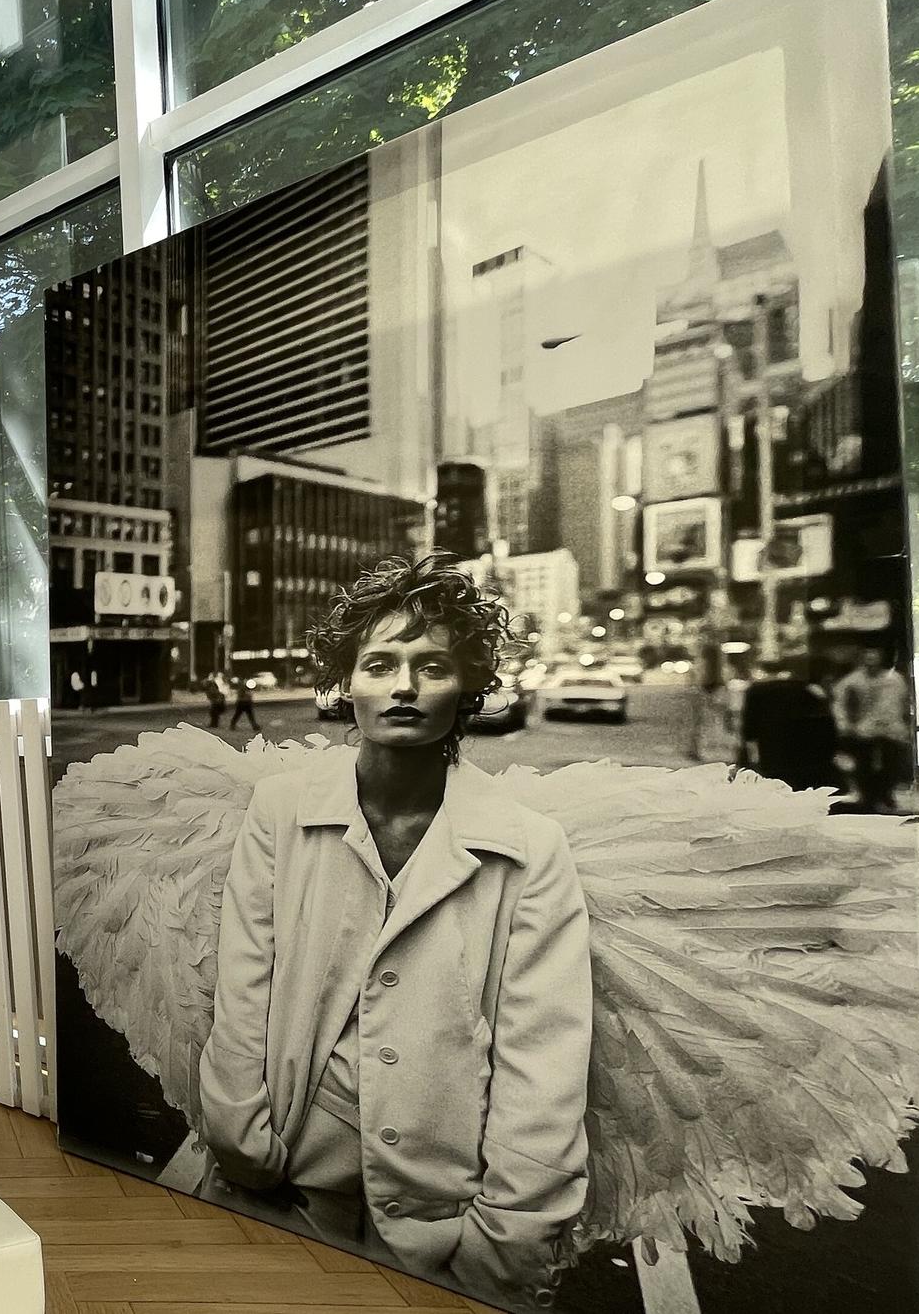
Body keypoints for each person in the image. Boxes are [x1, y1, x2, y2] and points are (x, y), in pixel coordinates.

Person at [197, 554, 592, 1308]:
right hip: (287, 1182)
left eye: (432, 666)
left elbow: (543, 1054)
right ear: (346, 682)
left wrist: (504, 1240)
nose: (404, 686)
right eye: (379, 664)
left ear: (468, 687)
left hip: (443, 1216)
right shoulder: (281, 810)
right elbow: (245, 984)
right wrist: (241, 1138)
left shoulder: (529, 846)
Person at [735, 659, 841, 795]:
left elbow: (749, 728)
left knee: (778, 792)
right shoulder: (808, 690)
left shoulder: (756, 691)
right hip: (808, 756)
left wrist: (747, 756)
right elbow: (827, 724)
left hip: (773, 752)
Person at [832, 644, 913, 813]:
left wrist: (907, 725)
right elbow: (840, 703)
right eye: (867, 655)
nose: (871, 659)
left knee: (892, 764)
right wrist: (844, 725)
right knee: (865, 767)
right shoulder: (851, 681)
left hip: (892, 730)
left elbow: (905, 703)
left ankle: (885, 794)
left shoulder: (894, 679)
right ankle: (869, 798)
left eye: (874, 655)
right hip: (864, 730)